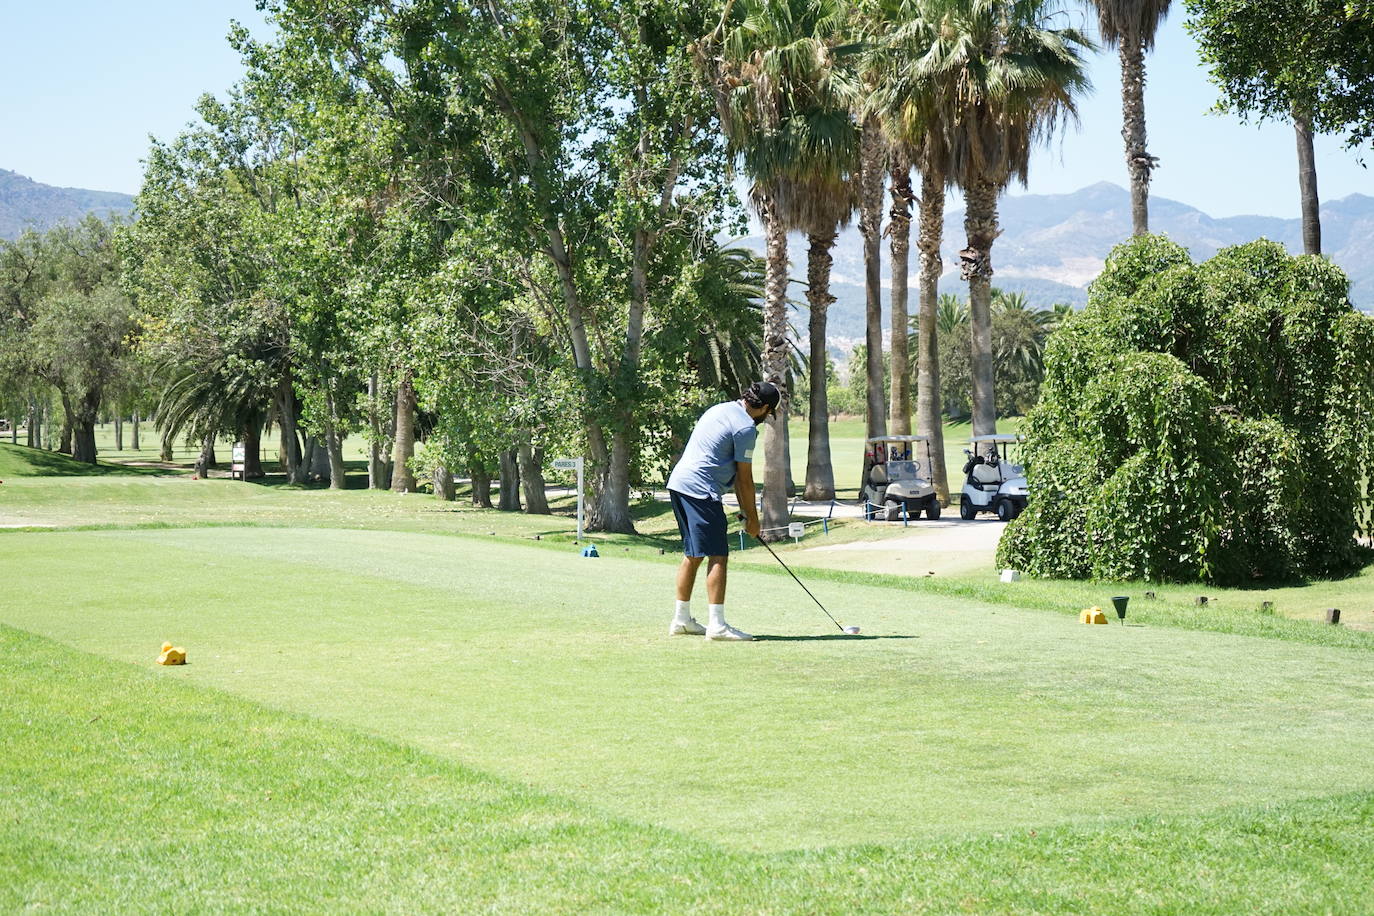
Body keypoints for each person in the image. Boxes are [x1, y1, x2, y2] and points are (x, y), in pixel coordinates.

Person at [665, 380, 780, 641]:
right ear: (762, 408)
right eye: (769, 412)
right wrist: (753, 519)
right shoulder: (745, 429)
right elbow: (744, 479)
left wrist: (746, 512)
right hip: (699, 490)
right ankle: (717, 626)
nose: (766, 417)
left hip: (679, 484)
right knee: (718, 555)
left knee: (693, 554)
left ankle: (681, 620)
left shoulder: (721, 409)